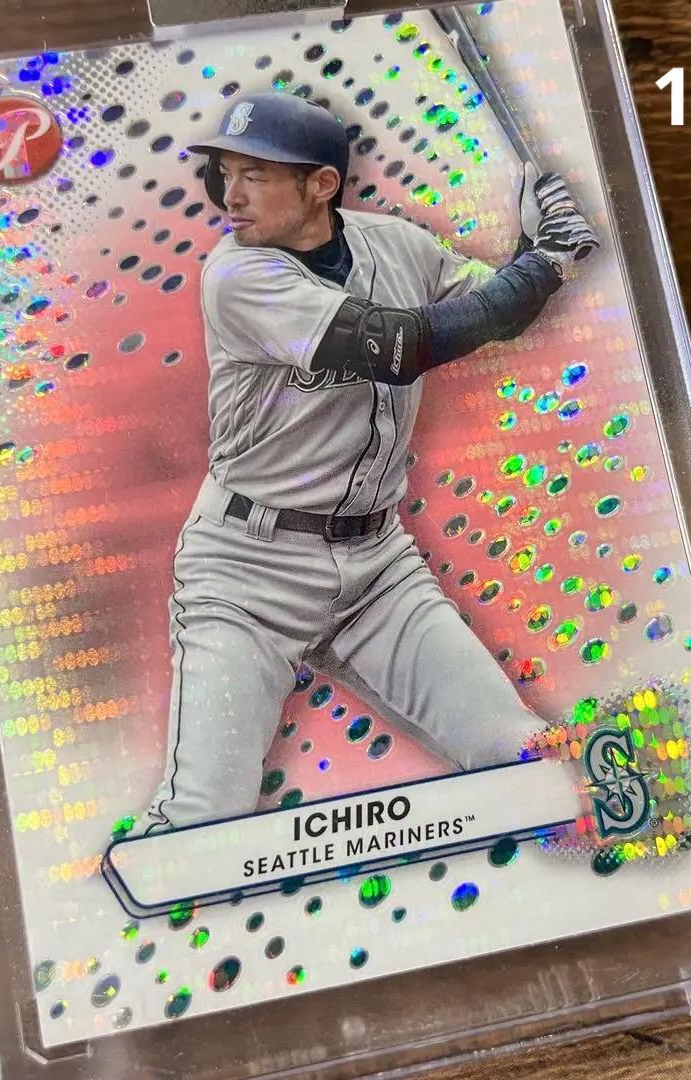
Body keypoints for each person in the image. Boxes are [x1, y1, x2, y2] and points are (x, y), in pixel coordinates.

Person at [132, 92, 598, 836]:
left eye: (255, 174)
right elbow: (402, 346)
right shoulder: (237, 275)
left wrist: (540, 247)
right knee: (203, 818)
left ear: (321, 184)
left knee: (524, 756)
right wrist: (544, 264)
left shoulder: (397, 245)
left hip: (379, 566)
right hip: (247, 570)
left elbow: (494, 313)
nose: (230, 194)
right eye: (225, 172)